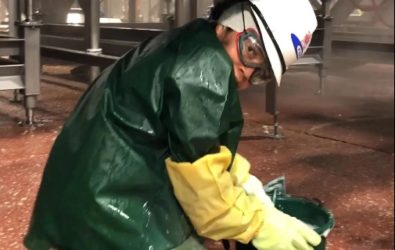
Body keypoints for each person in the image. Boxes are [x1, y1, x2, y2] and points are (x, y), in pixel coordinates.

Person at [24, 0, 321, 249]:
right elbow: (207, 199)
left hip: (84, 190)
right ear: (228, 24)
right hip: (108, 209)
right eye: (251, 51)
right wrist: (260, 225)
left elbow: (197, 143)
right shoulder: (203, 68)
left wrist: (244, 182)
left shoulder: (191, 40)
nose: (248, 71)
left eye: (262, 73)